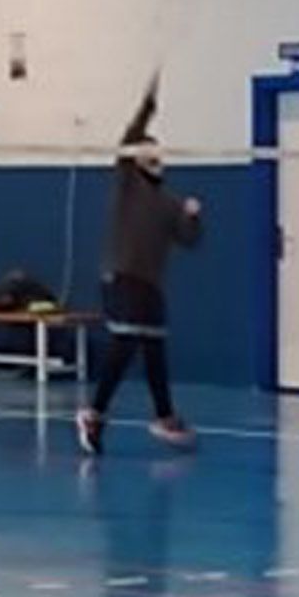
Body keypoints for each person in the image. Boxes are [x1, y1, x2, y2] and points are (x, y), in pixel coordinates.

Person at [78, 76, 203, 457]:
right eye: (145, 149)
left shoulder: (168, 202)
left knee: (153, 348)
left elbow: (188, 240)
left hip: (151, 284)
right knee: (126, 342)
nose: (153, 153)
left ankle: (164, 416)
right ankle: (94, 413)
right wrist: (148, 101)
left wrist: (194, 217)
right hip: (122, 276)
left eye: (156, 150)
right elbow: (131, 136)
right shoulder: (127, 183)